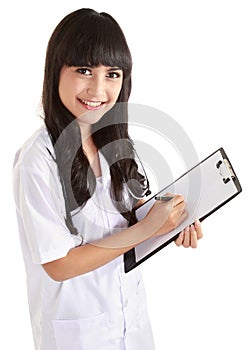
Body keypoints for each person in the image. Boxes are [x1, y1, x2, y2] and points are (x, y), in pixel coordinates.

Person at [13, 8, 203, 350]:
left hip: (132, 329)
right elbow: (58, 264)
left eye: (112, 74)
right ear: (56, 71)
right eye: (84, 71)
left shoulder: (115, 144)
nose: (98, 89)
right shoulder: (36, 159)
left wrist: (170, 224)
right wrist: (146, 228)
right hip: (79, 337)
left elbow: (125, 232)